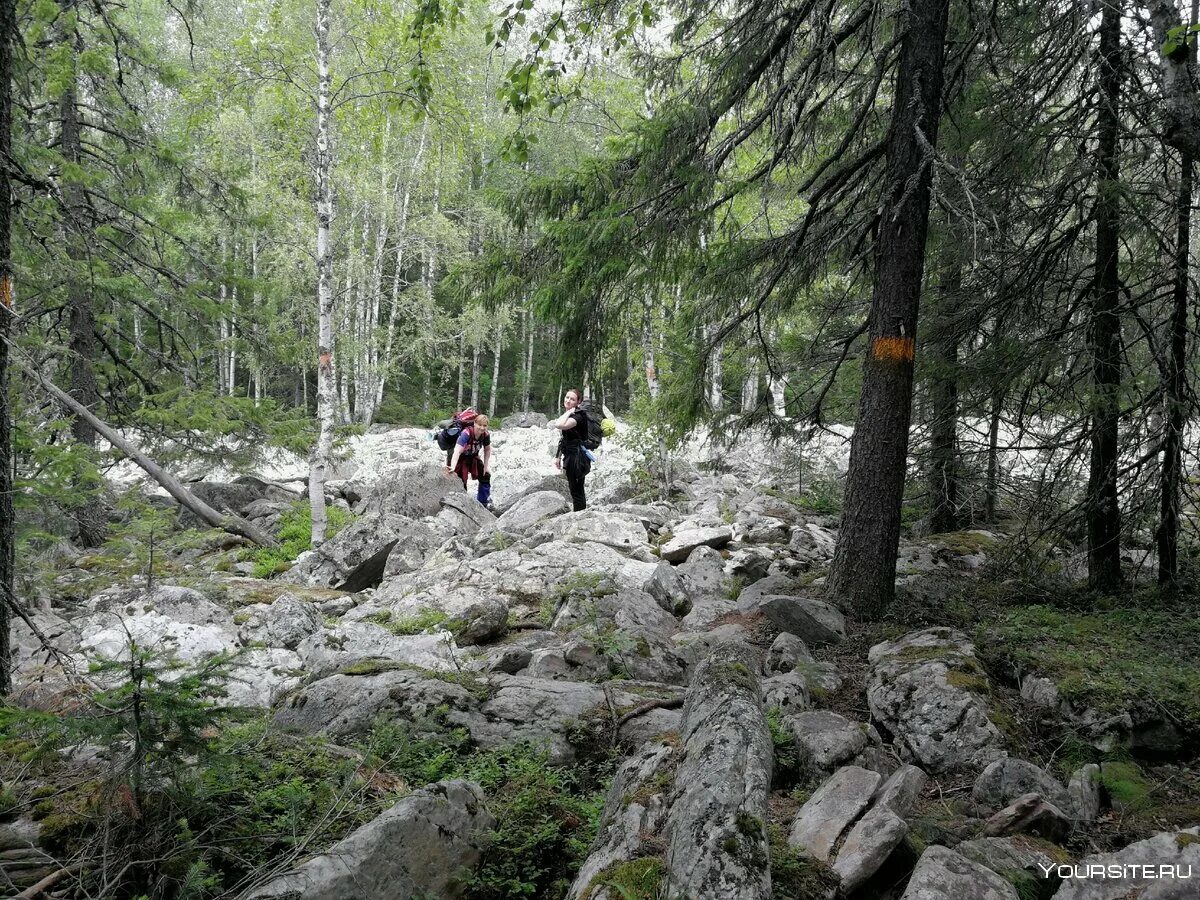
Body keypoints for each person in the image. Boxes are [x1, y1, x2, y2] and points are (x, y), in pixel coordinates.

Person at [554, 388, 590, 511]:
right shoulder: (571, 414)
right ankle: (579, 515)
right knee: (574, 488)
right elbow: (564, 438)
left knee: (577, 490)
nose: (568, 400)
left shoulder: (578, 416)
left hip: (578, 457)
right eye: (567, 397)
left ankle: (580, 519)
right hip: (570, 455)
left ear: (578, 402)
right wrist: (557, 456)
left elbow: (559, 425)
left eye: (572, 399)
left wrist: (569, 412)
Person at [446, 413, 493, 508]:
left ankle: (483, 503)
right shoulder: (466, 433)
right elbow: (457, 451)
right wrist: (453, 467)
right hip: (460, 458)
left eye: (485, 425)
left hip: (473, 456)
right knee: (461, 480)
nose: (482, 428)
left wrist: (486, 466)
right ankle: (461, 503)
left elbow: (487, 450)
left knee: (485, 475)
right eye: (480, 425)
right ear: (475, 423)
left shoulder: (486, 435)